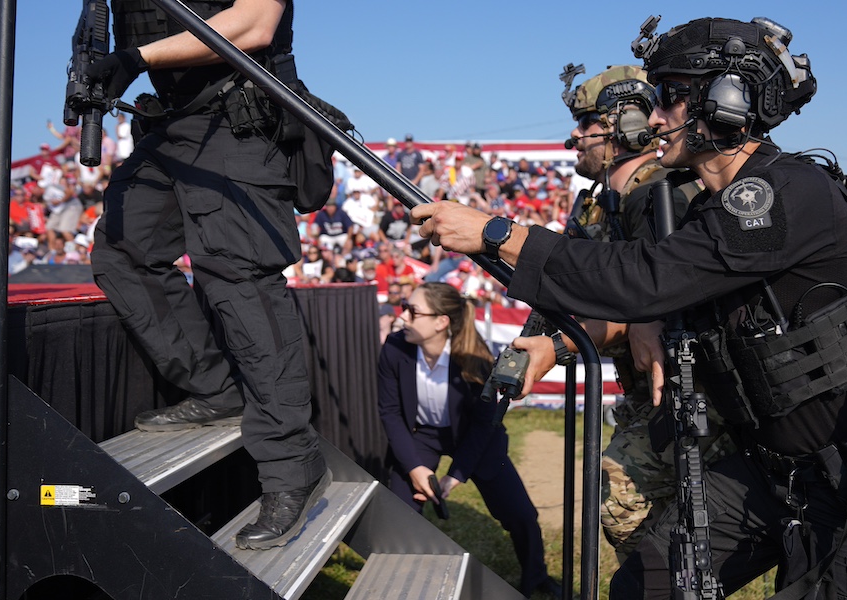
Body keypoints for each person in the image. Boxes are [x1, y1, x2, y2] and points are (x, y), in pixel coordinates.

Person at [415, 16, 847, 598]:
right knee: (645, 586)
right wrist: (582, 334)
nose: (656, 117)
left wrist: (498, 233)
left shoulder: (783, 195)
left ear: (729, 100)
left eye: (671, 98)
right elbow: (655, 288)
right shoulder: (707, 211)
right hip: (767, 472)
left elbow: (647, 279)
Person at [86, 0, 330, 551]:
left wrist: (133, 57)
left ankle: (293, 467)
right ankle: (218, 388)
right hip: (170, 123)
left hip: (235, 116)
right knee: (123, 251)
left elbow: (254, 22)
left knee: (239, 281)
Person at [503, 64, 733, 563]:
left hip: (697, 387)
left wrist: (554, 348)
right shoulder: (600, 201)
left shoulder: (660, 193)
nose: (575, 136)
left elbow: (651, 298)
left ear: (624, 126)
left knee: (621, 498)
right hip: (647, 387)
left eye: (586, 125)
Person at [376, 282, 558, 597]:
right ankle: (406, 583)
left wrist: (456, 475)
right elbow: (390, 413)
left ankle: (536, 578)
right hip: (423, 436)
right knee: (400, 510)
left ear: (441, 322)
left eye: (412, 311)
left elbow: (484, 425)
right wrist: (415, 468)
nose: (402, 316)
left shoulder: (476, 358)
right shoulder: (394, 347)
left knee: (521, 514)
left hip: (475, 439)